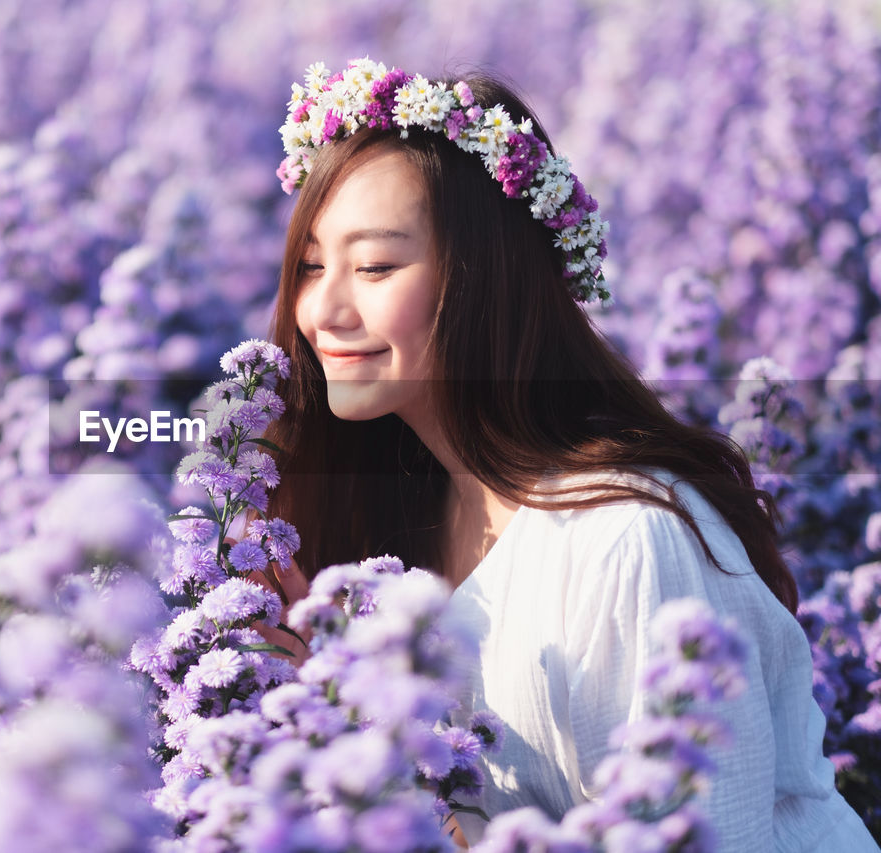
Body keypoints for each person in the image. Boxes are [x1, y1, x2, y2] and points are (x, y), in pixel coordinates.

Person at [255, 58, 879, 850]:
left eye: (375, 265)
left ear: (486, 281)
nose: (324, 309)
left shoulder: (623, 537)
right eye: (310, 266)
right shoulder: (410, 508)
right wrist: (342, 715)